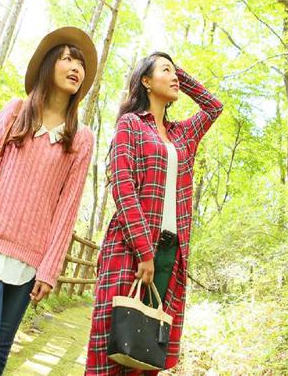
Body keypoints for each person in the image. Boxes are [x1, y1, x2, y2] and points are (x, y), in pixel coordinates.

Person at [0, 26, 97, 375]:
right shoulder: (17, 110)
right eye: (67, 59)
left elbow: (67, 208)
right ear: (48, 66)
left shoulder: (81, 138)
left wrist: (50, 269)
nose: (76, 67)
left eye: (81, 63)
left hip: (30, 257)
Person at [86, 52, 223, 375]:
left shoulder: (182, 135)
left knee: (145, 355)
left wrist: (176, 71)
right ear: (145, 81)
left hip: (170, 254)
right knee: (110, 351)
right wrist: (144, 252)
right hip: (129, 248)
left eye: (176, 73)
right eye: (165, 71)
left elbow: (213, 107)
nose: (174, 77)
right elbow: (122, 185)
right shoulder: (131, 124)